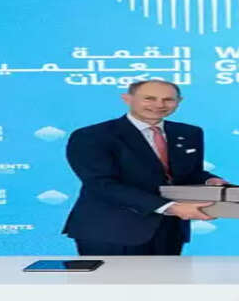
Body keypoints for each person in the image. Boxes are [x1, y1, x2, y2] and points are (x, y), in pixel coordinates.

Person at [63, 80, 227, 256]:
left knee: (167, 275)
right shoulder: (92, 135)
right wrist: (171, 207)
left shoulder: (189, 132)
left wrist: (210, 180)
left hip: (170, 230)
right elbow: (102, 184)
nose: (159, 105)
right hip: (111, 230)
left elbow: (188, 173)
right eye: (149, 98)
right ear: (127, 99)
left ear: (179, 101)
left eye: (168, 99)